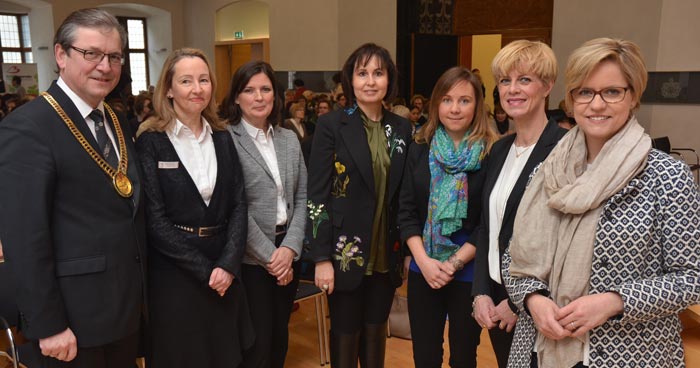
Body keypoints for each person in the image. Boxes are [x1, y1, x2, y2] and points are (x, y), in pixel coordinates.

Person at [503, 37, 700, 368]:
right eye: (585, 92)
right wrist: (534, 299)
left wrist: (614, 302)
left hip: (630, 355)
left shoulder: (667, 176)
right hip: (539, 346)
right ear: (571, 99)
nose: (596, 104)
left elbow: (693, 277)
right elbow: (513, 257)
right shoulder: (545, 172)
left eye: (612, 91)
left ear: (633, 96)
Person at [0, 8, 146, 367]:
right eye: (91, 53)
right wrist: (48, 325)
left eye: (114, 56)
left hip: (123, 310)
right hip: (71, 321)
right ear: (61, 55)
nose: (105, 66)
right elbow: (24, 236)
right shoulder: (28, 127)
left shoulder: (114, 117)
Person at [136, 48, 253, 367]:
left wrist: (227, 265)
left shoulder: (223, 137)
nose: (197, 88)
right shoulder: (151, 141)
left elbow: (239, 204)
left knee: (224, 356)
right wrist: (206, 271)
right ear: (169, 89)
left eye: (204, 80)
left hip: (223, 270)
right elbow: (154, 219)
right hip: (174, 275)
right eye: (186, 81)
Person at [307, 43, 412, 368]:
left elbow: (406, 195)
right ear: (350, 80)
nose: (370, 81)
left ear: (389, 79)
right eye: (362, 73)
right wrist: (321, 258)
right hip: (344, 253)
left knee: (375, 333)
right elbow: (317, 196)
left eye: (378, 73)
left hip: (385, 251)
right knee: (344, 333)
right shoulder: (332, 125)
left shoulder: (402, 128)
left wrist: (408, 249)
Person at [471, 40, 568, 368]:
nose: (512, 89)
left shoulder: (564, 151)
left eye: (524, 79)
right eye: (505, 80)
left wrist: (518, 303)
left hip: (541, 304)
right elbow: (489, 226)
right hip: (497, 298)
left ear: (548, 86)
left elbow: (564, 242)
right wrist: (481, 290)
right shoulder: (499, 150)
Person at [398, 67, 498, 367]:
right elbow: (405, 211)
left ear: (477, 105)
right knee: (425, 356)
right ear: (436, 105)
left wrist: (454, 263)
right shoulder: (418, 148)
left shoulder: (492, 152)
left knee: (464, 356)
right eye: (447, 99)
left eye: (464, 100)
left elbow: (490, 222)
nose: (455, 108)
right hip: (424, 266)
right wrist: (424, 262)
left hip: (470, 270)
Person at [222, 60, 307, 368]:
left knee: (280, 339)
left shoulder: (288, 139)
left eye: (265, 89)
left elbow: (301, 196)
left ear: (276, 95)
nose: (258, 97)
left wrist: (290, 249)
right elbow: (235, 207)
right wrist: (272, 257)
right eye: (249, 90)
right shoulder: (226, 140)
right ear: (235, 97)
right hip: (252, 260)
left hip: (289, 252)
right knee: (256, 344)